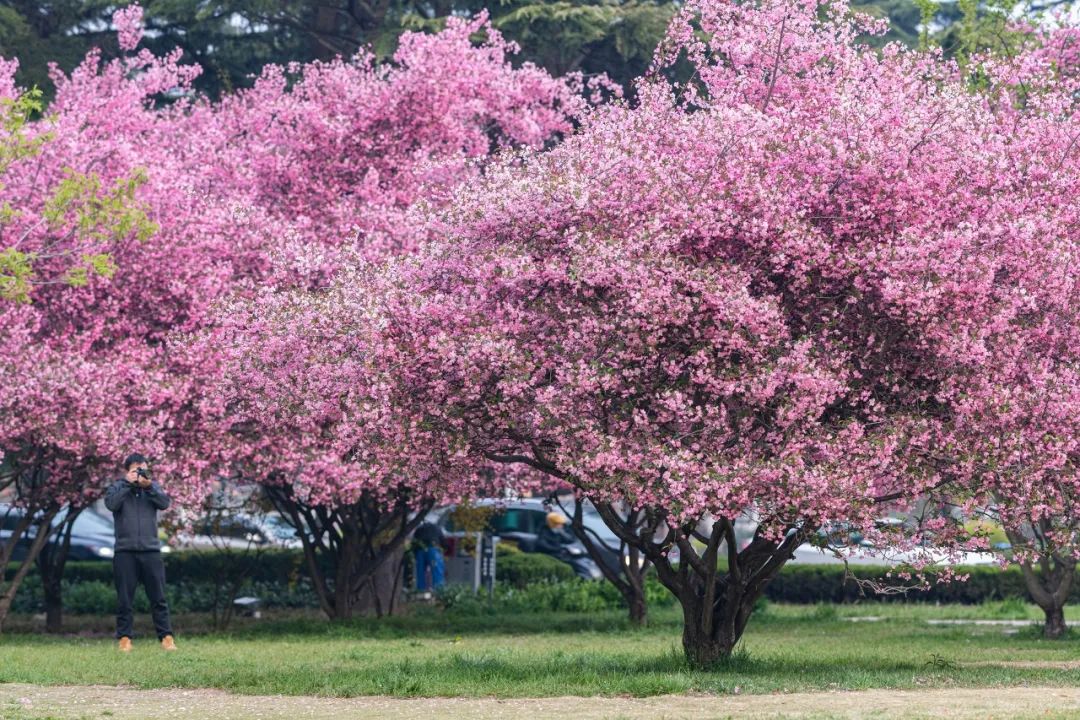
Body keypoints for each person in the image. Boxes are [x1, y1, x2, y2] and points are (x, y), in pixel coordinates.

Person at [104, 453, 176, 652]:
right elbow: (111, 504)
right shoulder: (117, 487)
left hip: (151, 550)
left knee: (158, 597)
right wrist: (128, 485)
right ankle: (124, 638)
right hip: (124, 551)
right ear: (127, 470)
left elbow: (164, 503)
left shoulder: (152, 488)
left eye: (143, 468)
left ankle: (166, 637)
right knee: (125, 599)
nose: (140, 473)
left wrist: (149, 486)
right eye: (136, 469)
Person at [412, 521, 445, 592]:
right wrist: (444, 548)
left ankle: (420, 590)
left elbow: (414, 542)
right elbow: (443, 541)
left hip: (420, 550)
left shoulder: (419, 529)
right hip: (432, 550)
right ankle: (439, 590)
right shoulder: (436, 528)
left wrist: (414, 553)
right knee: (437, 571)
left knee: (420, 572)